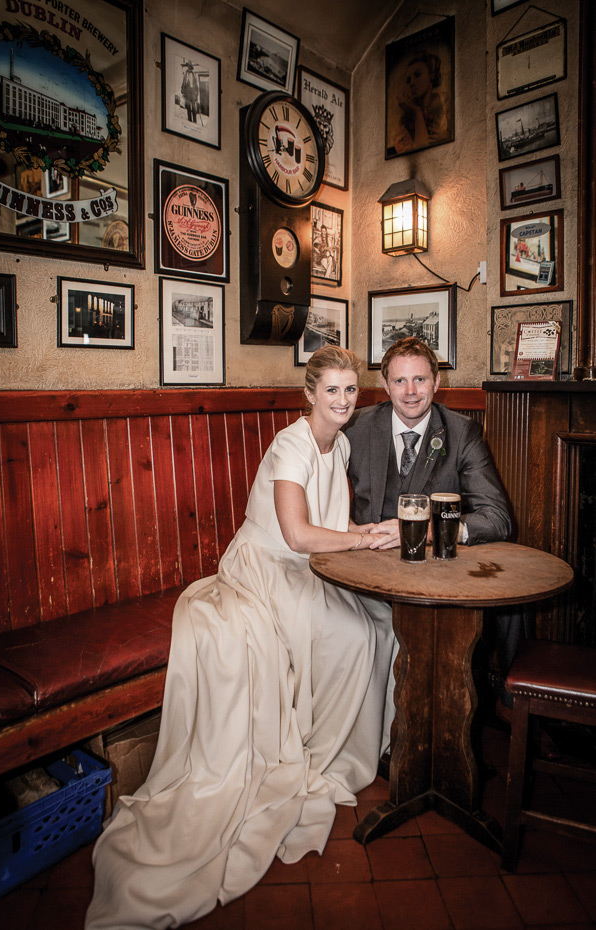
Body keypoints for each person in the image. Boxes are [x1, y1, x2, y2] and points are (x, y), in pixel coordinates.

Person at [86, 346, 397, 929]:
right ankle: (309, 749)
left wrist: (371, 531)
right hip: (269, 567)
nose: (343, 401)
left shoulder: (345, 443)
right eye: (332, 390)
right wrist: (355, 543)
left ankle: (352, 748)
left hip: (312, 566)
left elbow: (335, 522)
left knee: (377, 624)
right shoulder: (291, 445)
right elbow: (298, 535)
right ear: (310, 394)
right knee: (348, 631)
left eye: (351, 390)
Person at [344, 337, 512, 547]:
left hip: (433, 568)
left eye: (420, 379)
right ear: (386, 385)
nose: (410, 391)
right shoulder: (354, 427)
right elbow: (319, 498)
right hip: (362, 559)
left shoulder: (462, 434)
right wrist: (347, 526)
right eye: (399, 381)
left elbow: (497, 519)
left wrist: (429, 531)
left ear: (437, 382)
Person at [389, 50, 449, 155]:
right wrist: (416, 111)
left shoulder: (444, 102)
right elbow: (420, 151)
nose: (412, 83)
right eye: (408, 80)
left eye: (417, 75)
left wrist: (446, 137)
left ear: (431, 75)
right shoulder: (405, 119)